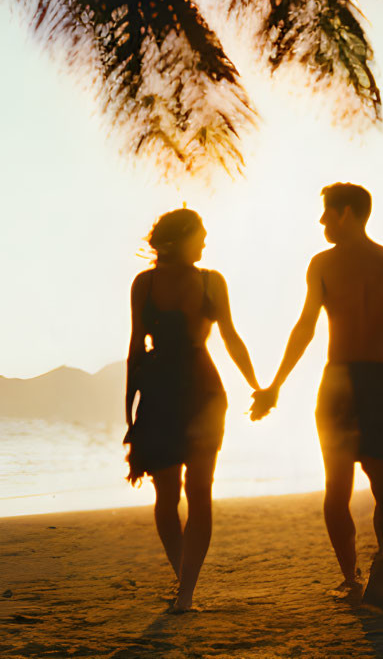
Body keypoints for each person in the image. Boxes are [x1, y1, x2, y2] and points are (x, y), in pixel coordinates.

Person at [252, 184, 383, 611]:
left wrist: (275, 386)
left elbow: (305, 326)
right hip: (381, 377)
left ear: (346, 213)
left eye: (326, 214)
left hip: (338, 380)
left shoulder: (323, 264)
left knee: (336, 488)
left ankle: (351, 579)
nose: (321, 222)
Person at [124, 208, 262, 613]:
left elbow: (231, 336)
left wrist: (257, 386)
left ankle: (186, 591)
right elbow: (134, 346)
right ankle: (184, 580)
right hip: (160, 393)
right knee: (166, 496)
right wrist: (130, 410)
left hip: (203, 391)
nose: (205, 243)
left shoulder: (211, 282)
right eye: (199, 236)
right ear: (180, 238)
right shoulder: (143, 284)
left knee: (199, 491)